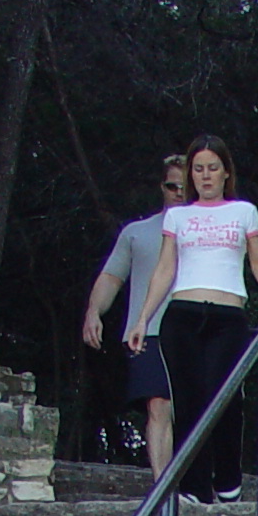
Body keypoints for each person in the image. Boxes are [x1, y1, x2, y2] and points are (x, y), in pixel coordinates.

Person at [123, 133, 258, 504]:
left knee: (224, 395)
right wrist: (142, 318)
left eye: (212, 169)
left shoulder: (243, 212)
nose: (205, 176)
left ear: (225, 173)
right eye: (198, 169)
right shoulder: (178, 215)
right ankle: (194, 485)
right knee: (187, 400)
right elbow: (164, 270)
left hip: (227, 314)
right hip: (182, 314)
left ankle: (227, 475)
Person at [82, 155, 187, 474]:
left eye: (186, 187)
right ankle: (162, 487)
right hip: (148, 333)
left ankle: (195, 484)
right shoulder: (136, 233)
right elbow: (112, 276)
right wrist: (94, 311)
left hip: (196, 331)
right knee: (159, 405)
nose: (179, 193)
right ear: (162, 187)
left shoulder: (209, 233)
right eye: (173, 186)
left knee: (195, 410)